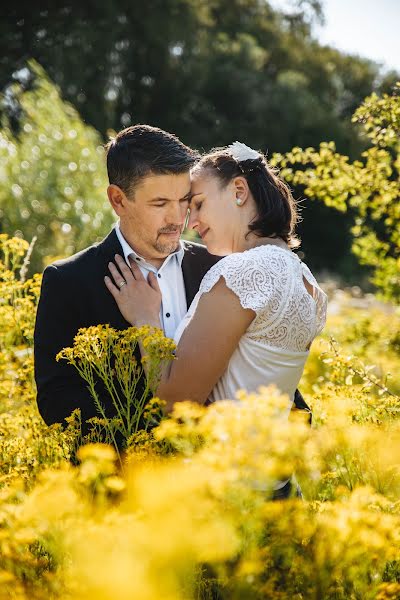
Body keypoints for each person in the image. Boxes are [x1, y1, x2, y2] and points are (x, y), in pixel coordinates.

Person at [105, 142, 328, 497]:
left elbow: (176, 401)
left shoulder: (242, 271)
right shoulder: (306, 280)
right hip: (277, 487)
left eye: (198, 204)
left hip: (228, 493)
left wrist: (146, 318)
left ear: (238, 191)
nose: (190, 222)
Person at [34, 125, 219, 430]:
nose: (177, 218)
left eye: (184, 200)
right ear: (118, 200)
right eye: (160, 204)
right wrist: (153, 442)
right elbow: (57, 400)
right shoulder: (68, 281)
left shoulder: (218, 268)